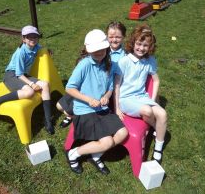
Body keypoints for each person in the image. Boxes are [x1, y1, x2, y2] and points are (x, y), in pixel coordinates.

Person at [65, 29, 128, 175]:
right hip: (85, 110)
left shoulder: (110, 65)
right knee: (107, 142)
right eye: (95, 51)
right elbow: (69, 88)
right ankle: (74, 153)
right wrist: (88, 99)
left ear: (106, 48)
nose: (99, 53)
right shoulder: (84, 65)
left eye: (101, 50)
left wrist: (106, 95)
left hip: (102, 109)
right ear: (88, 51)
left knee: (123, 132)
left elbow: (111, 87)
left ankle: (96, 155)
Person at [0, 25, 55, 135]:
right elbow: (19, 74)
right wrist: (31, 84)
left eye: (35, 37)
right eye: (29, 37)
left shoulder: (35, 46)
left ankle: (47, 119)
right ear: (23, 39)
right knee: (29, 92)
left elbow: (40, 49)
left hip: (23, 75)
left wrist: (46, 51)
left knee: (45, 84)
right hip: (12, 75)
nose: (33, 39)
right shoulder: (20, 53)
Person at [57, 21, 127, 128]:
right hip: (86, 87)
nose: (114, 40)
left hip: (102, 91)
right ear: (105, 37)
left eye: (118, 37)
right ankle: (72, 115)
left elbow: (115, 83)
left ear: (123, 37)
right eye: (111, 36)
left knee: (79, 107)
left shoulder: (123, 57)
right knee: (59, 105)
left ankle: (74, 116)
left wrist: (114, 104)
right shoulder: (96, 49)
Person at [114, 24, 167, 163]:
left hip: (141, 97)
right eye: (139, 44)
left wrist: (153, 99)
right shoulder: (124, 61)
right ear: (133, 43)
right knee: (147, 111)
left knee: (162, 114)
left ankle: (158, 149)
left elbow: (156, 80)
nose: (141, 48)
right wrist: (117, 108)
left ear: (150, 47)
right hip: (126, 99)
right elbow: (117, 85)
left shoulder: (150, 61)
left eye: (145, 45)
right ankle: (158, 128)